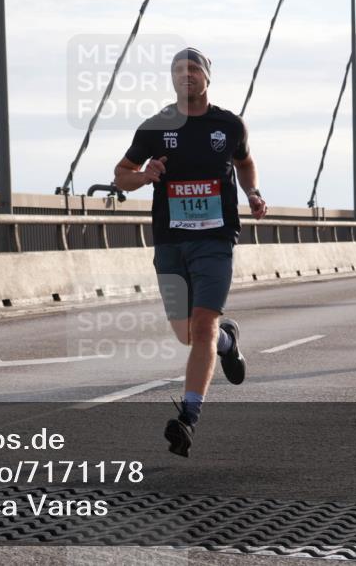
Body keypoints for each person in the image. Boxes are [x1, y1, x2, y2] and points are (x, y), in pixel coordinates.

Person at [114, 47, 267, 457]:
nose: (186, 75)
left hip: (215, 239)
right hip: (169, 240)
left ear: (207, 77)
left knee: (201, 327)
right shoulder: (155, 127)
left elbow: (245, 162)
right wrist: (144, 175)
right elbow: (121, 175)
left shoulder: (229, 125)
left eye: (194, 69)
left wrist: (252, 192)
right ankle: (226, 342)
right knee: (187, 334)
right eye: (179, 69)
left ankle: (189, 416)